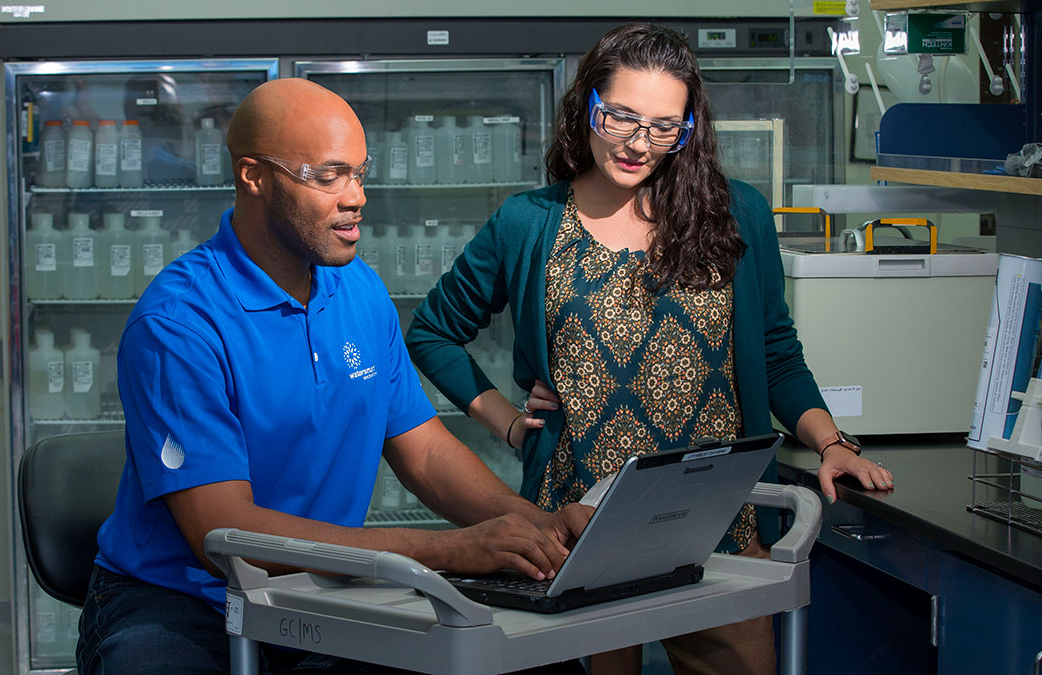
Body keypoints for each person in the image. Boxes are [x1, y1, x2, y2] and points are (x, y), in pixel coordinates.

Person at [405, 22, 895, 675]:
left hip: (721, 527)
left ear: (689, 130)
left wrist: (831, 441)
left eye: (665, 127)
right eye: (622, 119)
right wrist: (510, 424)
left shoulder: (735, 214)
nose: (640, 144)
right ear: (587, 107)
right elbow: (432, 329)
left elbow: (775, 349)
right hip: (576, 533)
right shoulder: (526, 223)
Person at [75, 78, 591, 675]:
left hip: (321, 590)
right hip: (182, 600)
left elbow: (423, 450)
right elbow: (224, 533)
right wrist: (448, 552)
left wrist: (533, 524)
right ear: (253, 176)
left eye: (360, 173)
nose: (357, 197)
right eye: (328, 175)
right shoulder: (179, 324)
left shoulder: (360, 291)